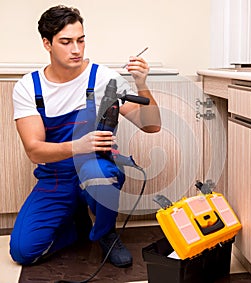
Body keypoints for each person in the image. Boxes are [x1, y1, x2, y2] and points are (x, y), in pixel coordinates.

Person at [9, 5, 161, 268]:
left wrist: (142, 84)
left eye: (80, 40)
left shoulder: (103, 79)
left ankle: (105, 233)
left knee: (102, 172)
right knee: (23, 252)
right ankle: (76, 225)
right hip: (55, 178)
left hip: (95, 168)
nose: (76, 49)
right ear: (47, 44)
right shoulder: (29, 87)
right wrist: (77, 145)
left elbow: (151, 126)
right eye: (66, 42)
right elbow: (34, 150)